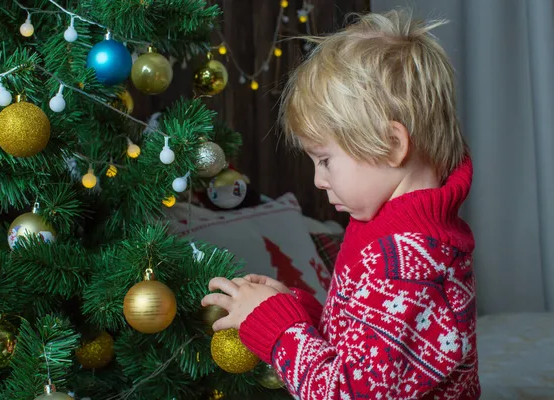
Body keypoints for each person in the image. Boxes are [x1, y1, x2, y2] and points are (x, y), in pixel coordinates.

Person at [202, 9, 479, 399]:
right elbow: (361, 341)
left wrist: (278, 328)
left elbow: (346, 392)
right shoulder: (393, 231)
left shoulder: (407, 263)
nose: (318, 180)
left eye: (326, 160)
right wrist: (290, 310)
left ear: (392, 145)